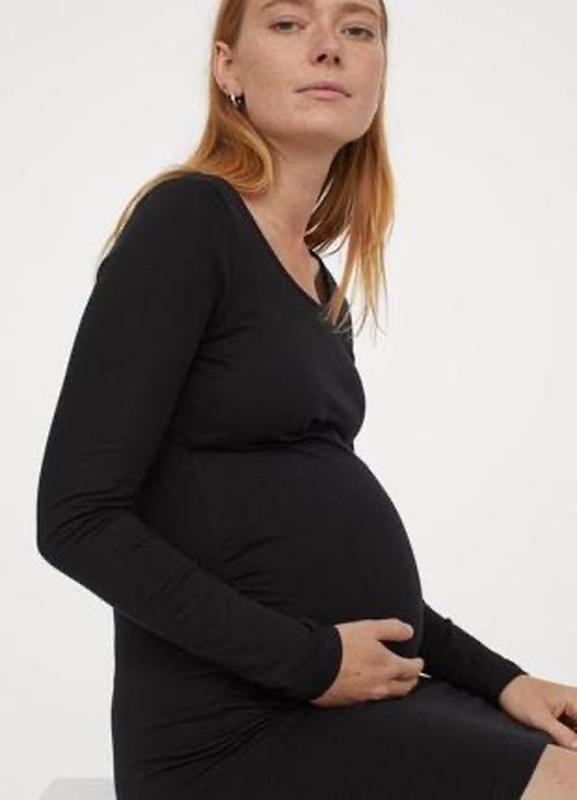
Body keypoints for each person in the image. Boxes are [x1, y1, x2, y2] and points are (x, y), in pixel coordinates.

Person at [36, 1, 577, 797]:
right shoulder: (188, 221)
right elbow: (76, 520)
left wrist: (504, 680)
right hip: (231, 734)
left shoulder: (320, 287)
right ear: (227, 68)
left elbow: (311, 546)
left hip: (347, 699)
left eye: (357, 29)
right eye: (289, 23)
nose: (329, 47)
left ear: (379, 72)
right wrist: (311, 661)